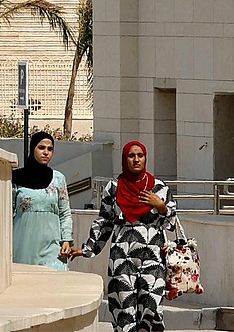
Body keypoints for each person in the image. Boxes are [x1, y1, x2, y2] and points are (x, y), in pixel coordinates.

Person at [76, 140, 186, 332]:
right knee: (123, 309)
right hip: (121, 255)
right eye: (131, 155)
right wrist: (87, 249)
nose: (136, 160)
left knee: (152, 308)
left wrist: (160, 205)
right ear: (124, 158)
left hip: (153, 254)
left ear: (145, 158)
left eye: (140, 155)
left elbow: (170, 224)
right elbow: (105, 222)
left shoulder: (159, 187)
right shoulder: (114, 187)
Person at [11, 130, 74, 269]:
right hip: (23, 244)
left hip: (52, 245)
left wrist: (66, 240)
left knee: (54, 281)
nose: (46, 152)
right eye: (41, 148)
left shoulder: (58, 179)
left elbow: (65, 213)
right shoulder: (16, 178)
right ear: (33, 149)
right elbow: (7, 212)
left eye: (50, 149)